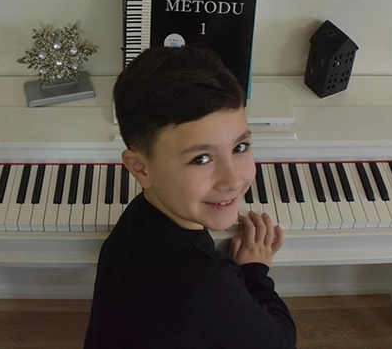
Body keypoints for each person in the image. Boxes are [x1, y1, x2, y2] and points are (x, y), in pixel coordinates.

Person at [84, 46, 297, 349]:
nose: (233, 180)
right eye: (201, 159)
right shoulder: (206, 281)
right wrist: (254, 271)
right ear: (140, 169)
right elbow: (281, 342)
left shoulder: (138, 215)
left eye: (239, 148)